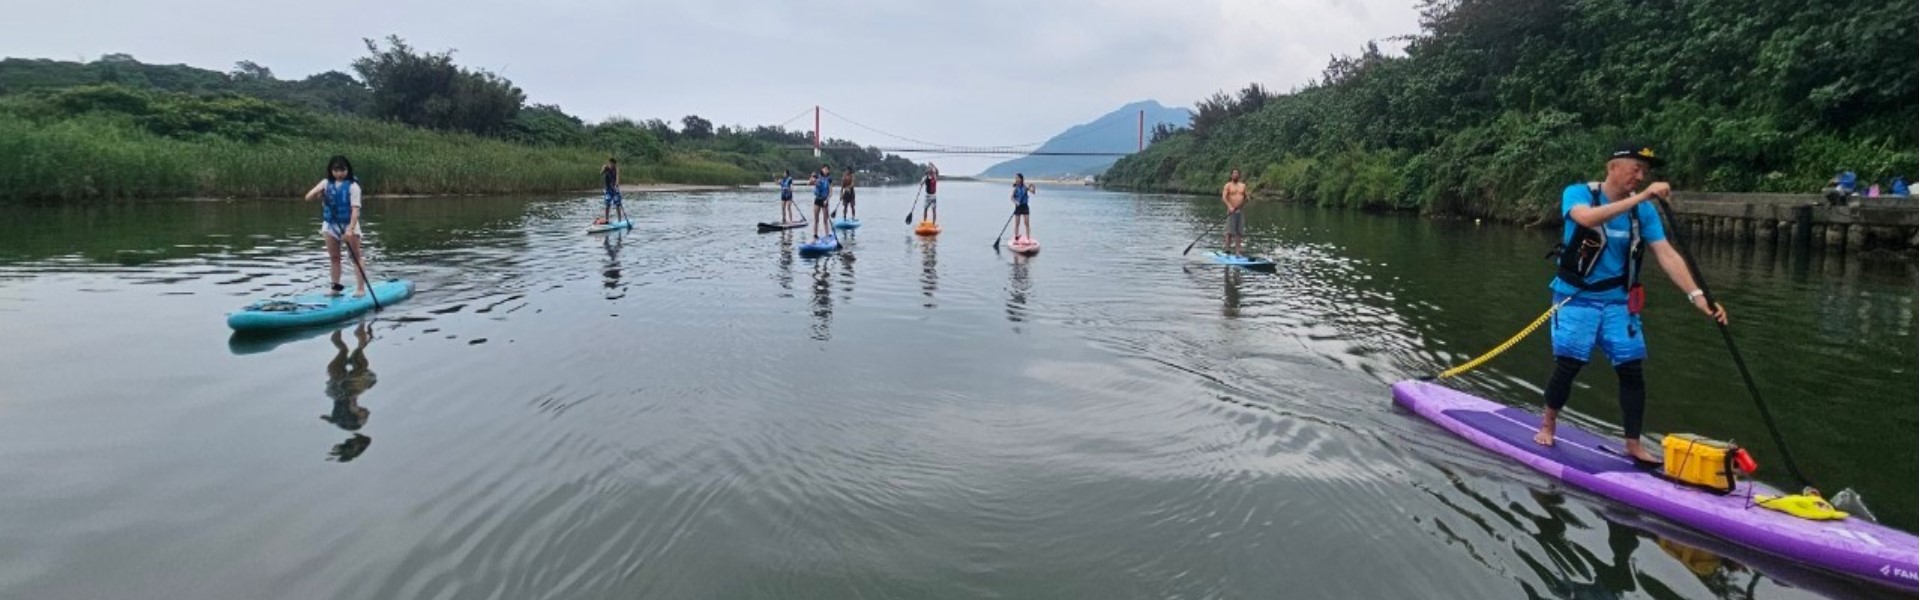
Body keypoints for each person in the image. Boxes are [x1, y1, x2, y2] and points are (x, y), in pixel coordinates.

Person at [1535, 143, 1729, 465]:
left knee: (1631, 370)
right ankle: (1548, 422)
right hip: (1577, 297)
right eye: (1635, 169)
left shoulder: (1644, 212)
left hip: (1618, 303)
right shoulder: (1578, 194)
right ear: (1612, 167)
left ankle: (1633, 443)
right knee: (1569, 365)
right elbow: (1585, 218)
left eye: (1644, 172)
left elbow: (1666, 254)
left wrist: (1698, 296)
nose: (1640, 176)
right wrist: (1640, 198)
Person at [303, 155, 370, 297]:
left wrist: (350, 230)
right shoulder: (326, 183)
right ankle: (335, 288)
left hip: (348, 224)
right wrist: (317, 193)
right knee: (334, 257)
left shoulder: (353, 186)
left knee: (355, 257)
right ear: (331, 171)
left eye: (342, 170)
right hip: (330, 225)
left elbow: (355, 210)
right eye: (336, 170)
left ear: (348, 170)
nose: (339, 174)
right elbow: (307, 197)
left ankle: (361, 289)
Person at [1222, 169, 1249, 256]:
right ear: (1231, 175)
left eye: (1237, 173)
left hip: (1240, 211)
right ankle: (1227, 248)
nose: (1235, 175)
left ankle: (1237, 252)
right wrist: (1229, 206)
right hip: (1231, 210)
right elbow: (1224, 197)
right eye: (1234, 173)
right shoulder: (1228, 185)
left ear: (1239, 175)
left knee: (1239, 231)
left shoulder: (1243, 186)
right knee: (1229, 231)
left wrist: (1247, 198)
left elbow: (1246, 196)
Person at [598, 157, 625, 224]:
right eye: (610, 163)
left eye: (612, 163)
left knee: (617, 204)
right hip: (608, 189)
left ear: (615, 164)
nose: (611, 164)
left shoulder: (616, 169)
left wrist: (616, 185)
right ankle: (606, 220)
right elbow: (601, 173)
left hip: (615, 189)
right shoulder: (606, 168)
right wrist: (603, 169)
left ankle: (619, 220)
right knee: (607, 204)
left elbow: (617, 177)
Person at [811, 164, 833, 239]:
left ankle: (827, 235)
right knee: (816, 219)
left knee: (825, 220)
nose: (825, 170)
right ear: (822, 169)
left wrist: (827, 200)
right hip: (817, 199)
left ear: (828, 171)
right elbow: (812, 183)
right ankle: (815, 235)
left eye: (827, 169)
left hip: (824, 200)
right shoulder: (818, 177)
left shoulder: (829, 179)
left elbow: (830, 192)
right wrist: (813, 180)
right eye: (824, 169)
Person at [1010, 173, 1033, 241]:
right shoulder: (1016, 188)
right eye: (1015, 178)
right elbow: (1012, 198)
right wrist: (1016, 202)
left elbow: (1033, 192)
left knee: (1026, 223)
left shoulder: (1025, 187)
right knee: (1017, 223)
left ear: (1021, 179)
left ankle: (1028, 238)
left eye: (1017, 178)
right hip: (1018, 207)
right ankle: (1016, 237)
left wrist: (1033, 186)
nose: (1016, 179)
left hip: (1025, 206)